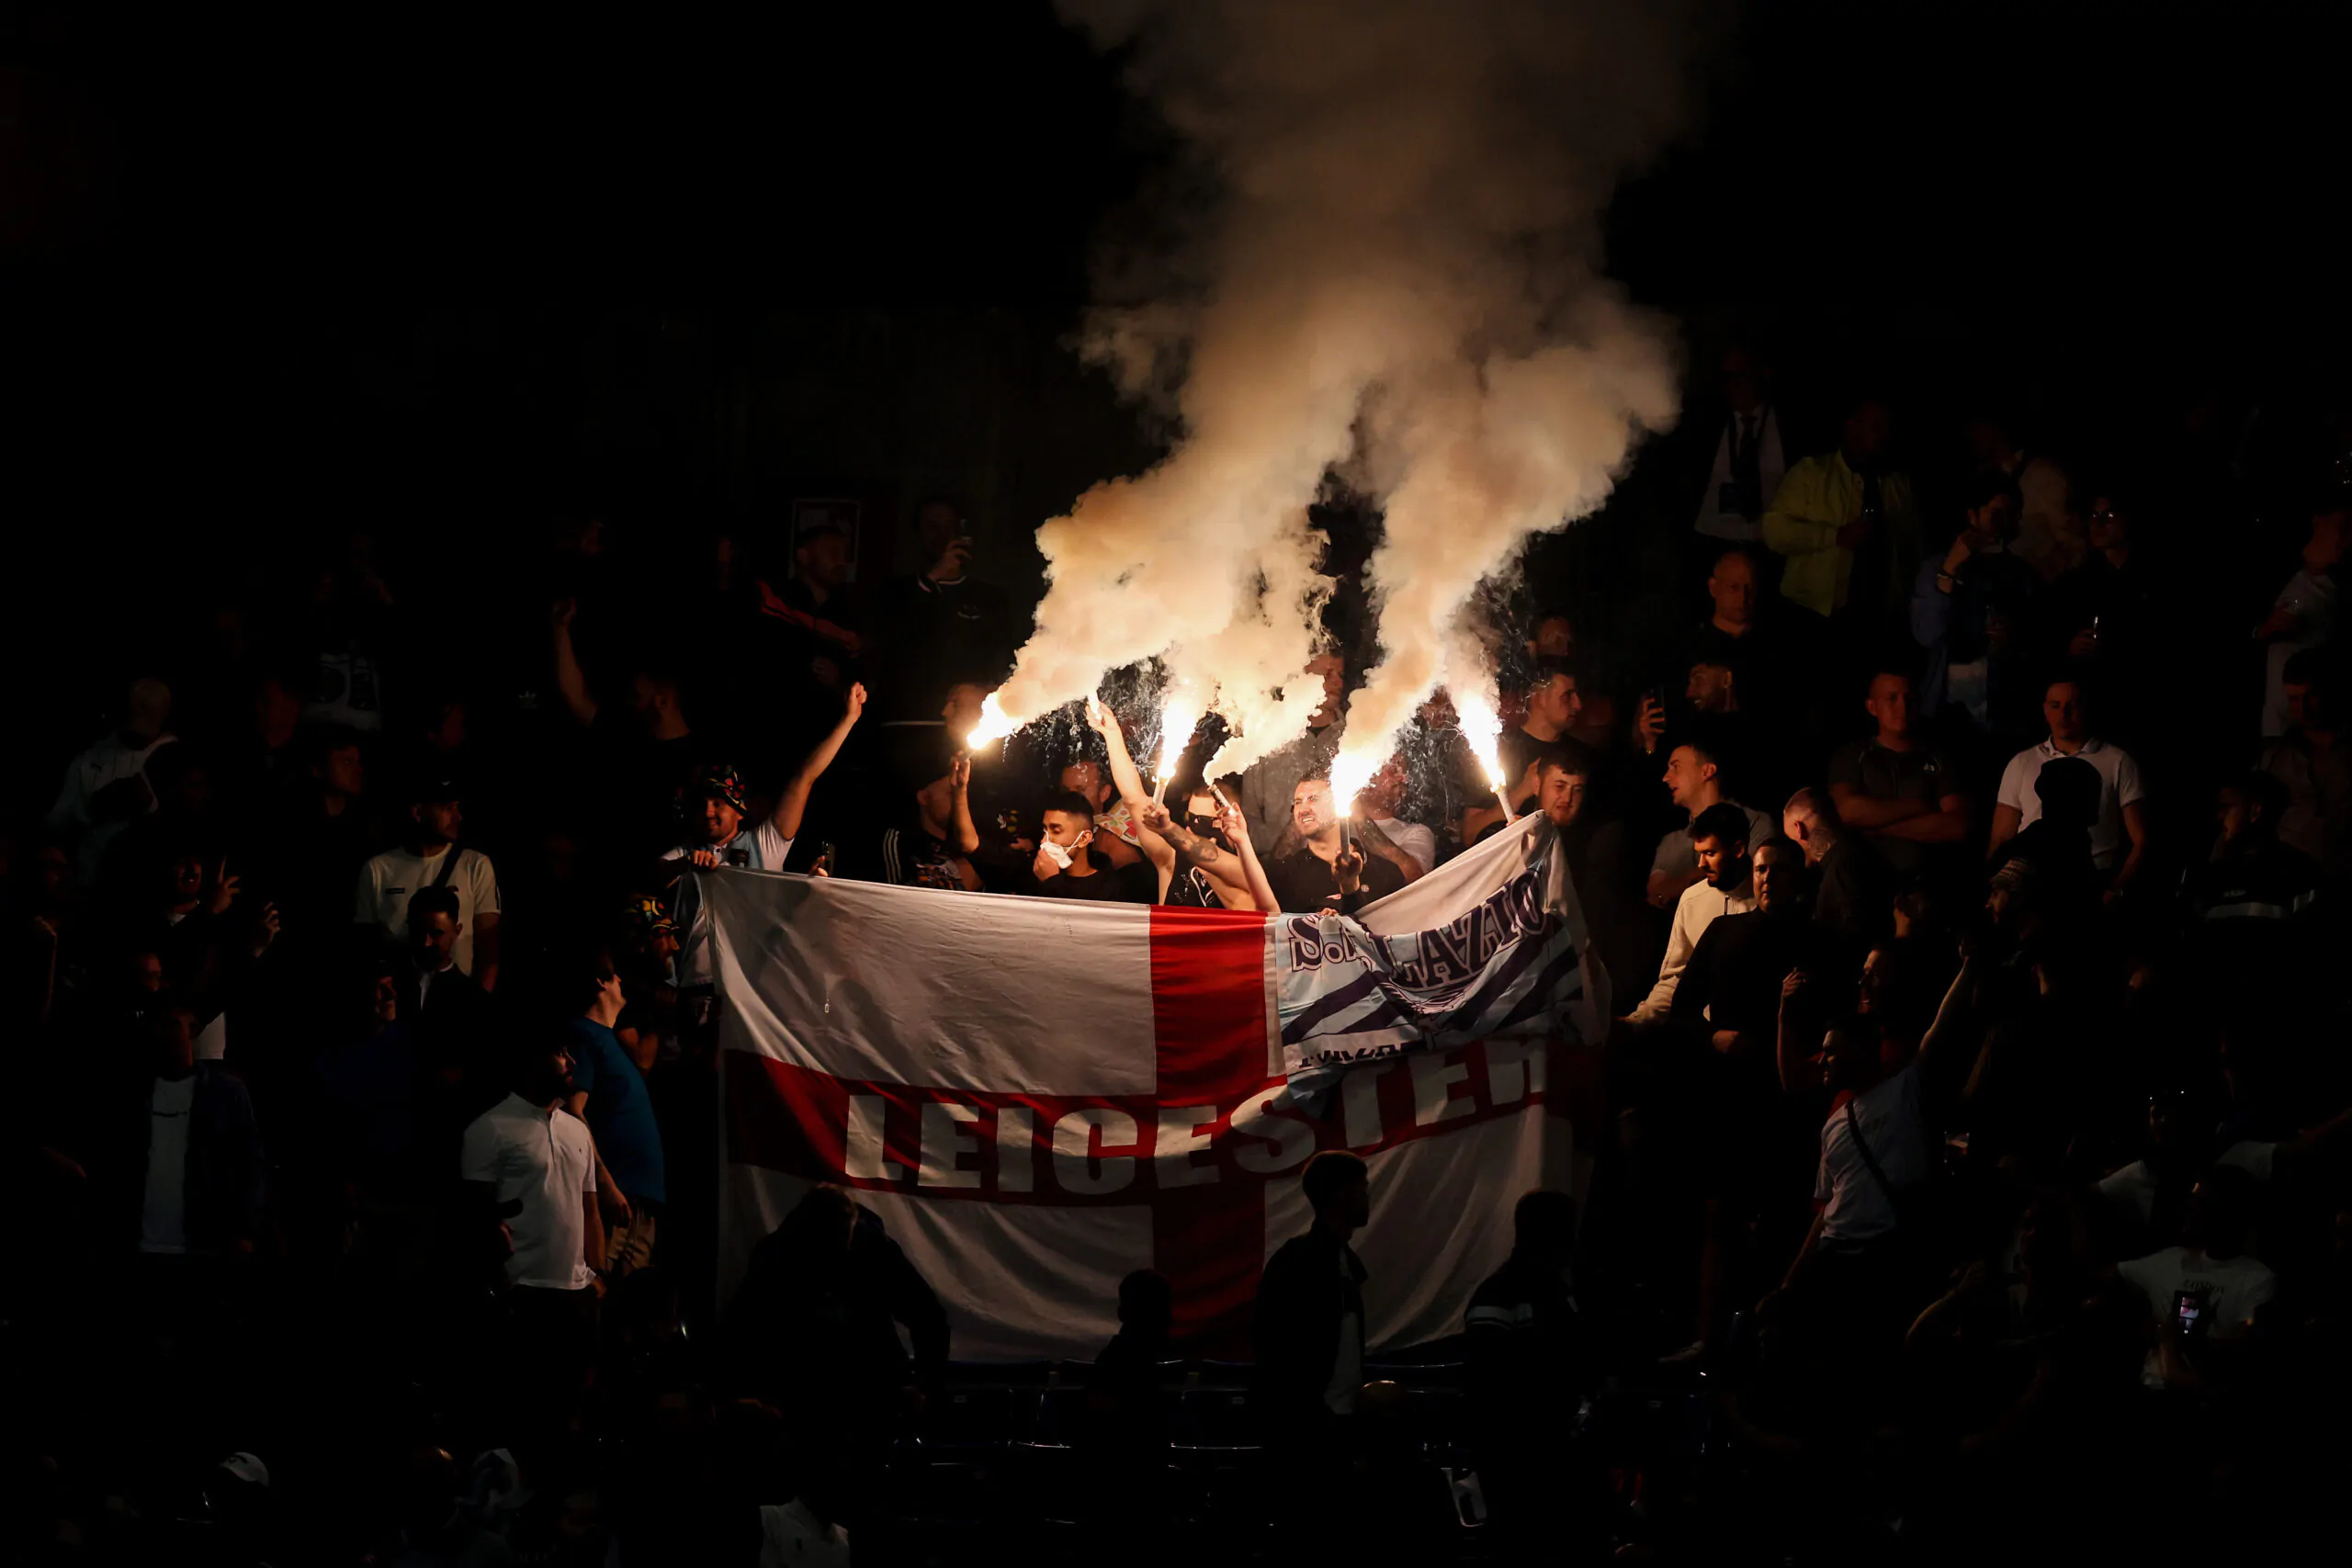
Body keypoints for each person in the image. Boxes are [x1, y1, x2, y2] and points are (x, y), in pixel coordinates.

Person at [665, 683, 865, 984]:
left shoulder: (764, 845)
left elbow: (803, 778)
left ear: (739, 810)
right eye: (702, 804)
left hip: (748, 994)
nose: (708, 811)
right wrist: (685, 866)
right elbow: (648, 877)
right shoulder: (685, 853)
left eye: (718, 803)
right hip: (690, 992)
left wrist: (848, 720)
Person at [1464, 1190, 1588, 1541]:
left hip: (1537, 1451)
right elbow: (1486, 1382)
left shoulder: (1545, 1292)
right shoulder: (1507, 1293)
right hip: (1521, 1457)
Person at [107, 1007, 266, 1259]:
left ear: (192, 1030)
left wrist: (244, 1230)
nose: (161, 1034)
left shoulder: (226, 1094)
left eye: (170, 1025)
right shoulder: (135, 1094)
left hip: (206, 1242)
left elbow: (250, 1165)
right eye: (157, 1026)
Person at [459, 1041, 603, 1314]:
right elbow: (477, 1216)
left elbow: (590, 1210)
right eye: (561, 1053)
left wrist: (598, 1275)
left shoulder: (578, 1131)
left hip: (577, 1294)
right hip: (520, 1292)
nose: (571, 1062)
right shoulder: (490, 1128)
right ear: (532, 1060)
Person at [1672, 839, 1846, 1061]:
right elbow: (1681, 1009)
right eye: (1760, 869)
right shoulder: (1722, 930)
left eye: (1779, 869)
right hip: (1726, 1073)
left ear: (1798, 877)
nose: (1767, 878)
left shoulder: (1820, 941)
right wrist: (1712, 1037)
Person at [1762, 397, 1922, 631]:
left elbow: (1915, 549)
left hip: (1879, 620)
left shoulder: (1897, 485)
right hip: (1813, 618)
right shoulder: (1812, 474)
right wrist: (1835, 536)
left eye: (1888, 428)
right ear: (1852, 427)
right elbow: (1774, 531)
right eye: (1876, 426)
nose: (1884, 435)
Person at [2116, 1168, 2276, 1391]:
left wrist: (2173, 1337)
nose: (2188, 1210)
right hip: (2151, 1389)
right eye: (2191, 1202)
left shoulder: (2257, 1278)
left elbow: (2245, 1348)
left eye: (2201, 1203)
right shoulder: (2168, 1261)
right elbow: (2093, 1275)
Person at [1987, 679, 2149, 894]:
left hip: (2094, 882)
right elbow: (2001, 837)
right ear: (2045, 710)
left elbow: (2142, 840)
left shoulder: (2118, 761)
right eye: (2056, 705)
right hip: (2032, 884)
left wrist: (2116, 890)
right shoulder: (2022, 763)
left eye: (2073, 705)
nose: (2064, 714)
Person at [1911, 468, 2038, 735]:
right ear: (1972, 515)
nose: (2005, 523)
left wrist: (2014, 637)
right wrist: (1949, 570)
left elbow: (2038, 641)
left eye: (2012, 515)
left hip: (2004, 708)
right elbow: (1926, 634)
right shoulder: (1937, 566)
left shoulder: (2021, 573)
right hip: (1947, 708)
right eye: (1996, 513)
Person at [1254, 1150, 1372, 1428]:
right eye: (1361, 1189)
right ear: (1342, 1194)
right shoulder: (1299, 1262)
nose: (1367, 1197)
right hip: (1309, 1427)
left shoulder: (1340, 1262)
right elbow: (1279, 1353)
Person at [563, 953, 664, 1278]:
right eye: (615, 976)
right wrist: (605, 1186)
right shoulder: (585, 1035)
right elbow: (573, 1111)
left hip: (640, 1200)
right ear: (601, 982)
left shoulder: (612, 1043)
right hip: (617, 1200)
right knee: (602, 1291)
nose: (621, 981)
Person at [355, 774, 503, 991]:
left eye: (457, 807)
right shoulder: (378, 870)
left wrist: (477, 1008)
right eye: (446, 809)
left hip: (456, 1003)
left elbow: (488, 953)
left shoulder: (475, 866)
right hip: (400, 1004)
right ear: (417, 812)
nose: (458, 817)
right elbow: (364, 949)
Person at [1826, 670, 1970, 882]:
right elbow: (1848, 811)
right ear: (1872, 707)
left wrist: (1877, 826)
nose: (1902, 707)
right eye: (1891, 698)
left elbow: (1958, 825)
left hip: (1928, 878)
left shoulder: (1939, 758)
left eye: (1909, 698)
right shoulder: (1852, 756)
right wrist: (1921, 806)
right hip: (1863, 878)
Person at [1624, 802, 1758, 1026]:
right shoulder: (1693, 900)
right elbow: (1674, 980)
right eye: (1699, 853)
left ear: (1738, 849)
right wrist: (1636, 1022)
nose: (1701, 863)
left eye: (1710, 853)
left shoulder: (1767, 898)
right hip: (1704, 1037)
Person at [47, 676, 175, 890]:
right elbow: (58, 822)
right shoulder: (92, 759)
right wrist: (97, 807)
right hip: (91, 882)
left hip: (153, 888)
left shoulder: (179, 760)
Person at [1464, 660, 1588, 845]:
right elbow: (1469, 834)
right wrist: (1520, 793)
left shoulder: (1581, 755)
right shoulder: (1498, 750)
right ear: (1539, 697)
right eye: (1567, 696)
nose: (1578, 705)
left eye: (1577, 695)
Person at [1645, 729, 1770, 910]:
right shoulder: (1671, 842)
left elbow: (1754, 876)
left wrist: (1682, 883)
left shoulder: (1754, 823)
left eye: (1676, 767)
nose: (1666, 777)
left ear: (1707, 771)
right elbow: (1656, 895)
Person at [1238, 652, 1348, 852]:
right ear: (1300, 677)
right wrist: (1284, 846)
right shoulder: (1266, 739)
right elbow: (1249, 820)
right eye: (1327, 674)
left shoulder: (1352, 736)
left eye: (1340, 674)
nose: (1338, 683)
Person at [2256, 502, 2343, 739]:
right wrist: (2259, 631)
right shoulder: (2275, 567)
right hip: (2276, 725)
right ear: (2318, 521)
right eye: (2344, 528)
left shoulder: (2339, 588)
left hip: (2319, 727)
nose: (2348, 540)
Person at [1687, 347, 1789, 546]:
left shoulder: (1788, 426)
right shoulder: (1702, 425)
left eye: (1743, 374)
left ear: (1762, 374)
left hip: (1772, 545)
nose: (1735, 384)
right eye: (1728, 376)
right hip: (1712, 542)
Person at [1264, 776, 1405, 915]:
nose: (1303, 810)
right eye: (1298, 802)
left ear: (1339, 802)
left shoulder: (1386, 873)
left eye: (1313, 799)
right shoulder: (1284, 875)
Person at [1782, 787, 1888, 948]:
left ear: (1798, 829)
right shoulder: (1862, 850)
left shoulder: (1841, 868)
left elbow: (1856, 937)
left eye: (1789, 838)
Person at [1029, 790, 1156, 903]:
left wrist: (1052, 882)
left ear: (1084, 839)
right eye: (1045, 831)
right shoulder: (1037, 872)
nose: (1044, 841)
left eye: (1056, 831)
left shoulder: (1108, 889)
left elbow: (1075, 926)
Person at [881, 752, 983, 892]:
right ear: (924, 797)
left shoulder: (973, 844)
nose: (961, 800)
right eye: (951, 793)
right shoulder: (901, 842)